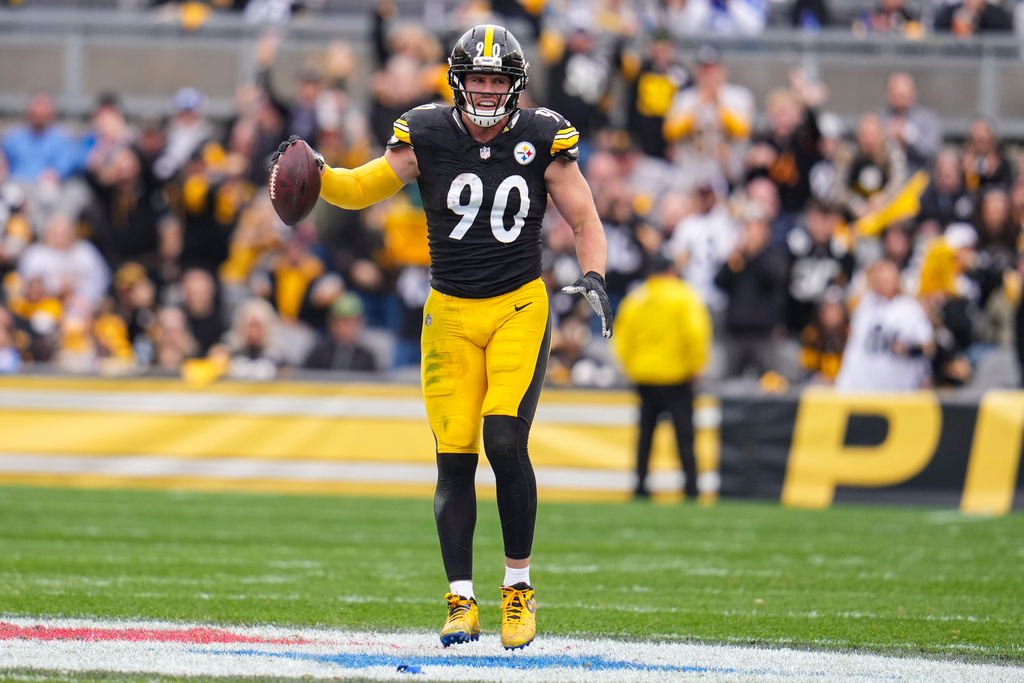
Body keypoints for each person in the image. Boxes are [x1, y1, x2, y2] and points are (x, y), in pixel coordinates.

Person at [271, 24, 611, 651]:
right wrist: (319, 173)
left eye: (497, 80)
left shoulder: (543, 136)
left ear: (515, 86)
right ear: (458, 82)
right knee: (454, 458)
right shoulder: (426, 132)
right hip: (449, 313)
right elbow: (363, 186)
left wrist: (593, 275)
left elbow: (586, 219)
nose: (486, 91)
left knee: (504, 439)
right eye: (477, 79)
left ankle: (518, 587)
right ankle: (461, 600)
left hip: (517, 307)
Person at [611, 251, 711, 500]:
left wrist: (632, 368)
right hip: (677, 378)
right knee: (684, 436)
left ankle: (641, 486)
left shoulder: (636, 298)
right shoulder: (683, 296)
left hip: (645, 377)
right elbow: (696, 333)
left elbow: (621, 339)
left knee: (645, 436)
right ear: (671, 271)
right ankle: (691, 488)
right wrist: (696, 367)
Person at [835, 259, 934, 391]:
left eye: (888, 279)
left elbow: (929, 345)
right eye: (880, 279)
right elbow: (848, 305)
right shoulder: (865, 303)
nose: (884, 283)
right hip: (861, 387)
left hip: (897, 388)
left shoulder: (910, 308)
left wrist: (909, 349)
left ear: (897, 281)